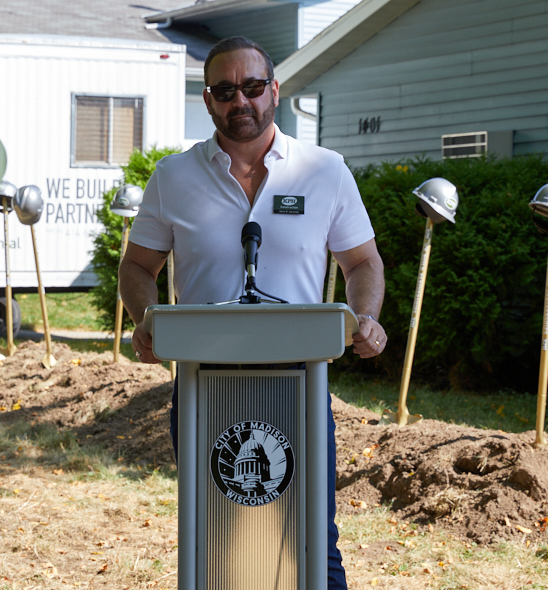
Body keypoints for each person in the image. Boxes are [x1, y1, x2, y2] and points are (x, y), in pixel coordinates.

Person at [118, 36, 387, 590]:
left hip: (299, 386)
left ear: (275, 91)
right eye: (224, 90)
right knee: (218, 540)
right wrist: (148, 317)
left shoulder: (325, 171)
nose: (239, 100)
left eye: (252, 87)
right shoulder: (174, 177)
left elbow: (363, 264)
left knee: (311, 542)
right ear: (208, 98)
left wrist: (364, 318)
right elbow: (136, 269)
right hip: (202, 386)